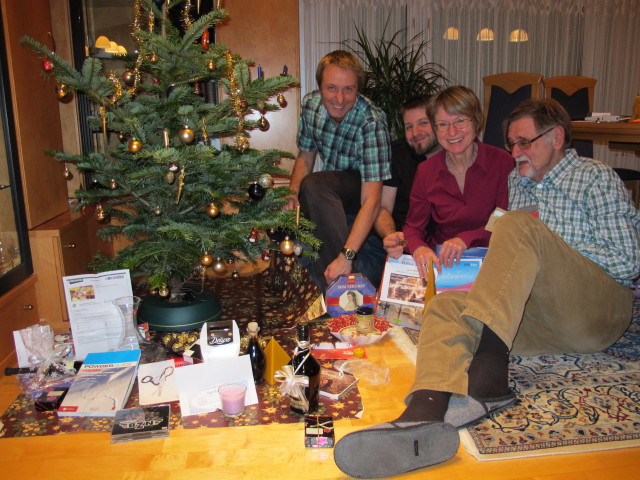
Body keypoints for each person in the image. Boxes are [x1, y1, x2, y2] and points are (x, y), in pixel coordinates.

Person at [333, 98, 640, 479]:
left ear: (557, 137)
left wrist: (545, 241)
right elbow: (507, 255)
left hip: (598, 313)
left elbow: (629, 262)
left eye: (525, 142)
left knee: (514, 226)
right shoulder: (519, 181)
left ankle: (490, 369)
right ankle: (423, 414)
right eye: (512, 144)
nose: (515, 153)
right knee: (446, 305)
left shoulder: (595, 177)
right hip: (547, 319)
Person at [285, 50, 391, 290]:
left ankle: (340, 286)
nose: (340, 99)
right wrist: (291, 191)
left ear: (358, 89)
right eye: (331, 88)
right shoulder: (311, 106)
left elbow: (372, 200)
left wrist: (346, 256)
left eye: (349, 89)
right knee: (307, 189)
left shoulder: (371, 121)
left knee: (313, 184)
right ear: (320, 87)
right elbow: (306, 154)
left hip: (360, 189)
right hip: (331, 188)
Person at [384, 86, 514, 279]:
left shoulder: (502, 161)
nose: (452, 132)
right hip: (444, 265)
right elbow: (413, 226)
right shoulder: (426, 171)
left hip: (491, 259)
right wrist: (419, 248)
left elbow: (503, 218)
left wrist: (466, 239)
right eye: (442, 124)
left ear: (476, 121)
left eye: (460, 121)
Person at [354, 95, 441, 287]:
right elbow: (382, 207)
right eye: (409, 126)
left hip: (440, 247)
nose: (415, 132)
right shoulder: (398, 154)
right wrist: (391, 236)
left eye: (423, 123)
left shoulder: (452, 156)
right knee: (358, 274)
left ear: (438, 123)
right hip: (400, 247)